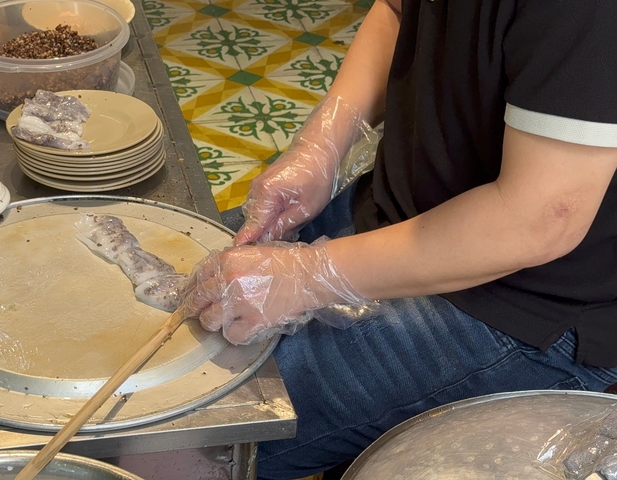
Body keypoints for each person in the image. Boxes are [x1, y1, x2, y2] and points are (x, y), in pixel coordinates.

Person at [178, 0, 617, 479]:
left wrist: (310, 275)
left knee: (180, 429)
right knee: (175, 293)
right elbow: (395, 11)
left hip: (525, 303)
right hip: (402, 207)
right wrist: (322, 145)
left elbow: (537, 221)